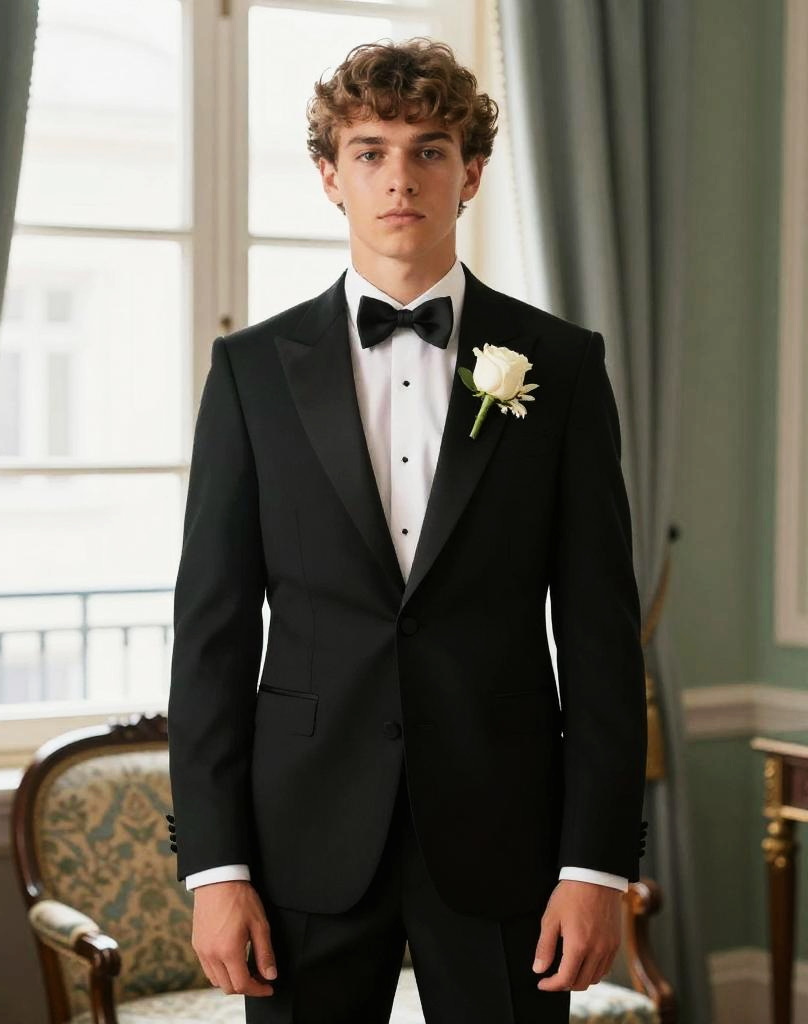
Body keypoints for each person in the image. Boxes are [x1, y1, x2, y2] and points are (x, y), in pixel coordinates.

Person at [166, 36, 648, 1024]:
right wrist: (214, 867)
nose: (399, 177)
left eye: (429, 149)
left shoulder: (559, 365)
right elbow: (210, 634)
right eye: (370, 150)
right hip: (299, 837)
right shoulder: (251, 373)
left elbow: (600, 631)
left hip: (505, 832)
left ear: (470, 173)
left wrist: (594, 860)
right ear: (328, 176)